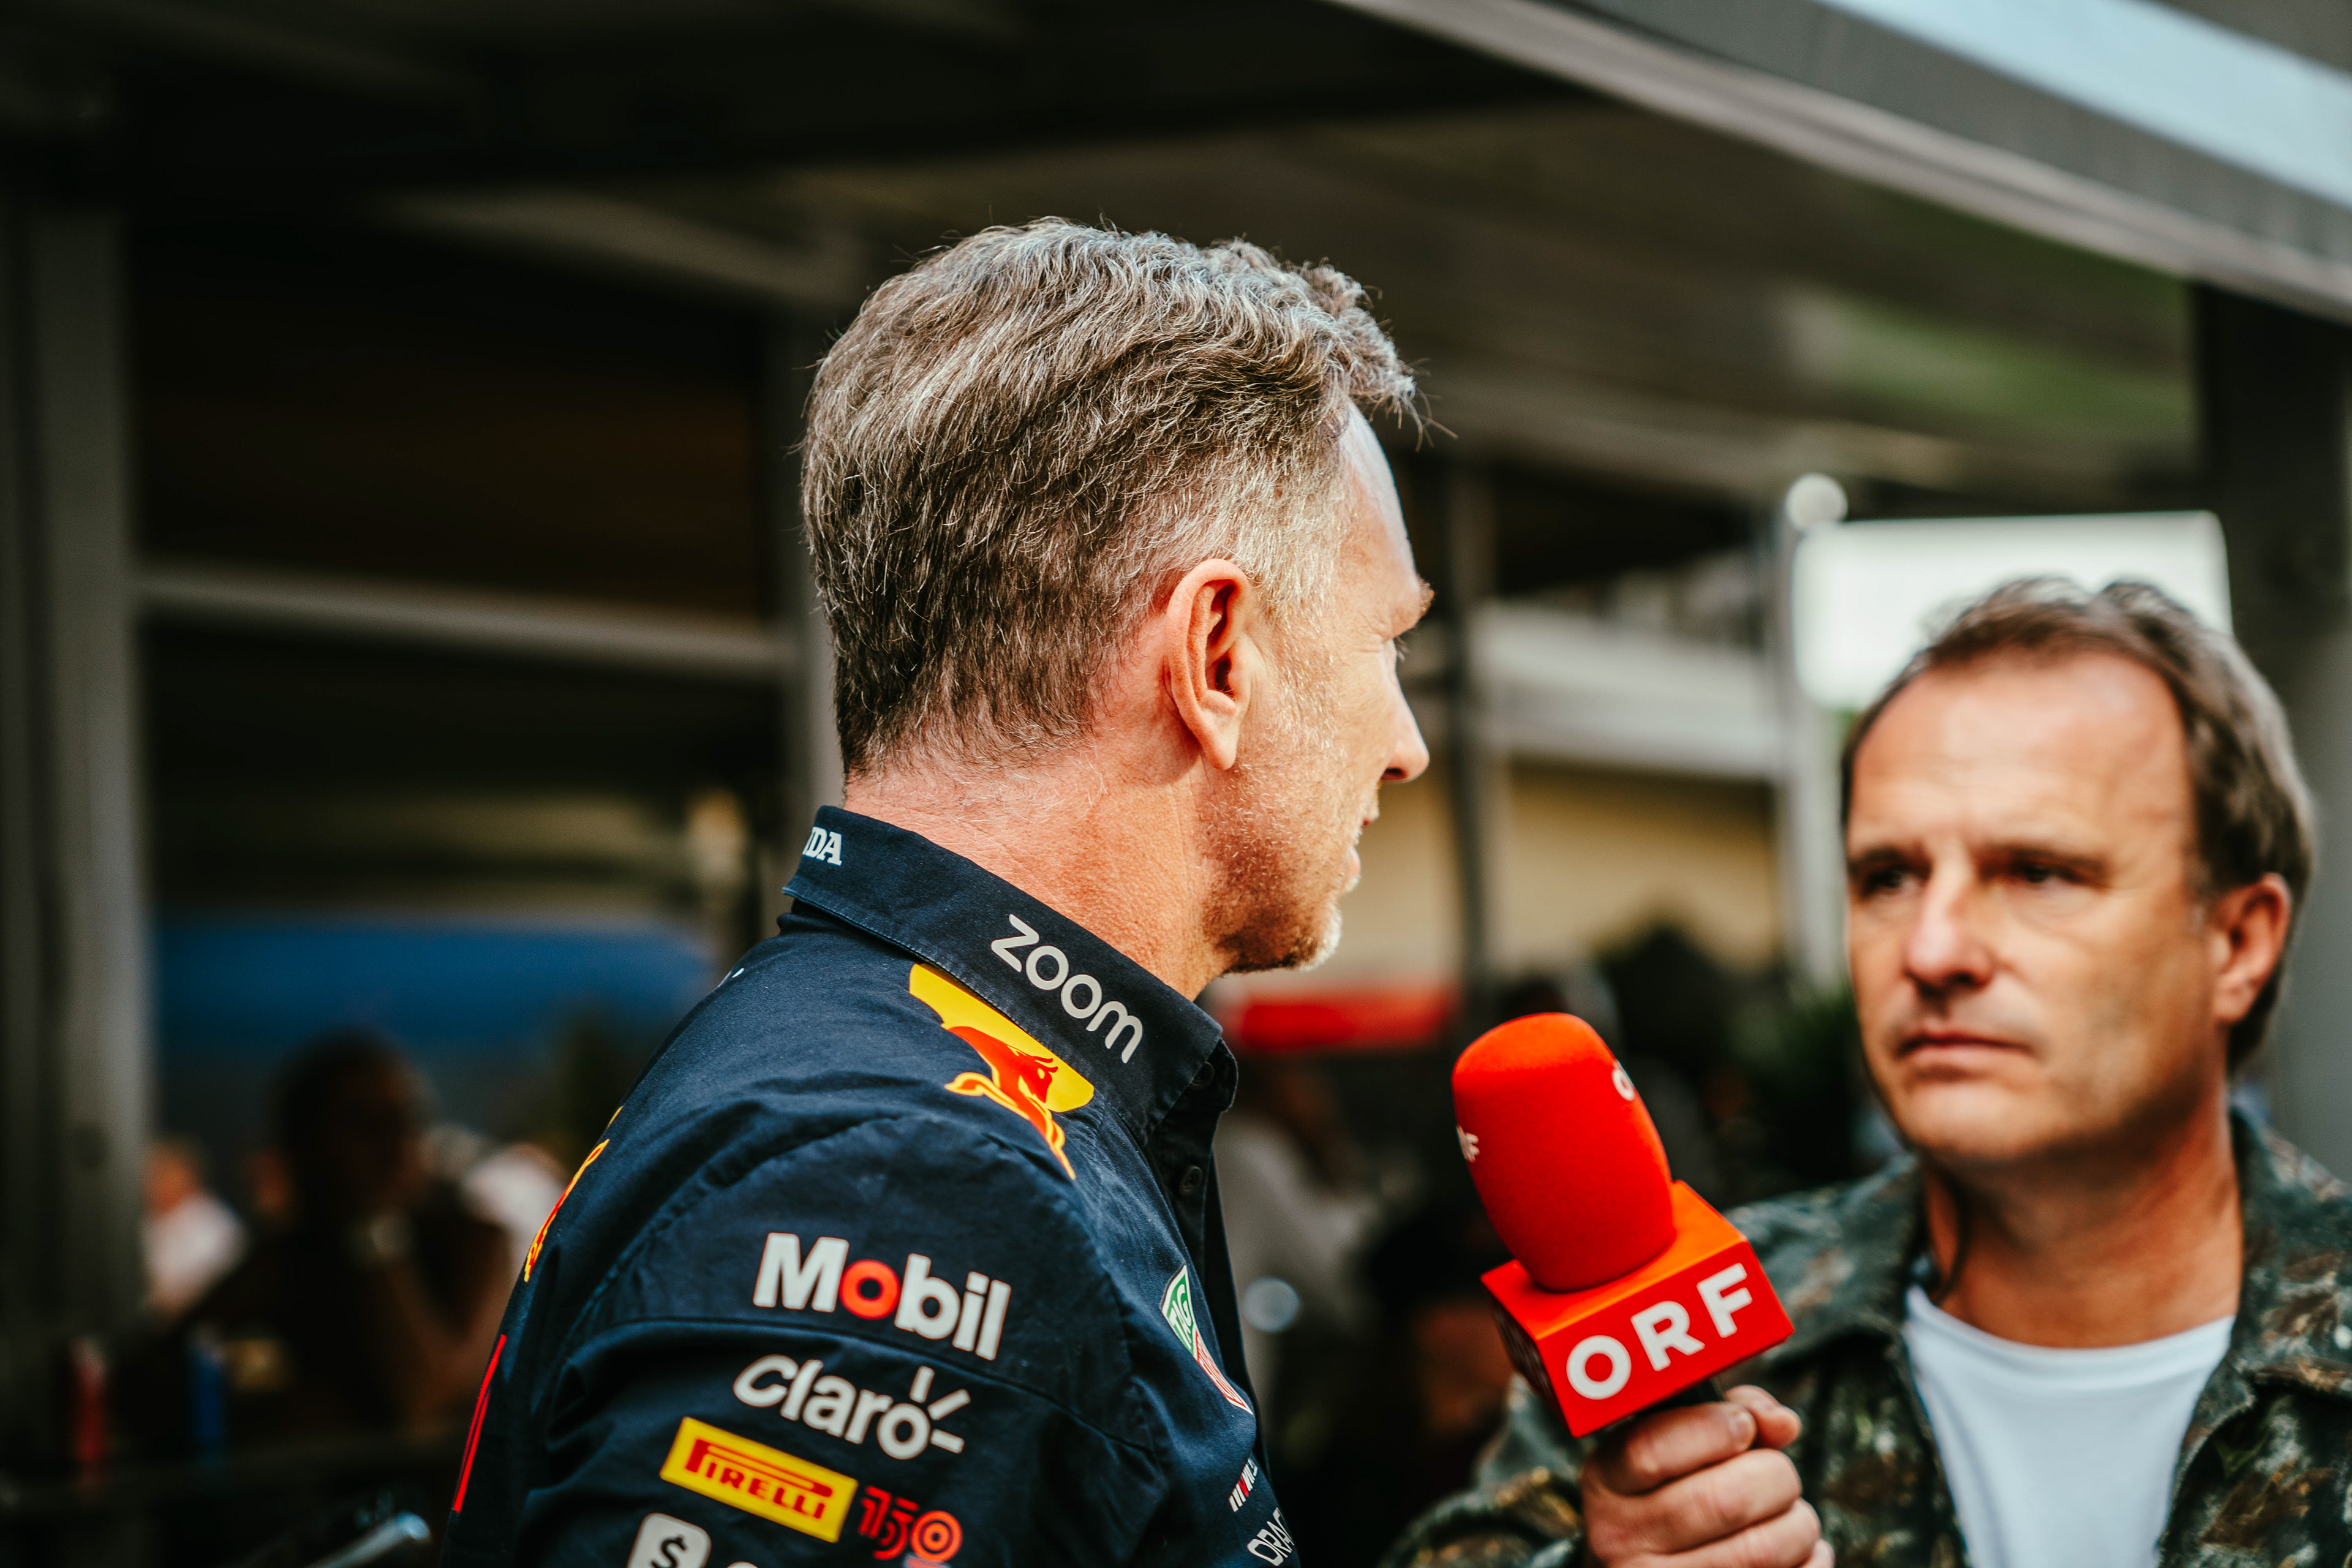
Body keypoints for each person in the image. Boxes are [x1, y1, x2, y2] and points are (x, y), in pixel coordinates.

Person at [441, 219, 1430, 1567]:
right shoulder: (910, 1175)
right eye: (1387, 642)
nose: (1405, 743)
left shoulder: (873, 1075)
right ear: (1214, 653)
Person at [1388, 578, 2350, 1568]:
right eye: (1887, 878)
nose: (1931, 951)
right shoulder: (1692, 1333)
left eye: (2039, 872)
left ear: (2238, 943)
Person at [132, 1033, 511, 1447]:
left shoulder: (478, 1246)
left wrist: (374, 1228)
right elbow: (143, 1380)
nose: (395, 1141)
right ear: (306, 1147)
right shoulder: (292, 1258)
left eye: (405, 1118)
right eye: (362, 1123)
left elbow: (428, 1401)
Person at [143, 1135, 246, 1319]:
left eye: (163, 1174)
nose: (152, 1183)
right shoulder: (145, 1221)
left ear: (188, 1176)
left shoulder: (215, 1222)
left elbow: (203, 1285)